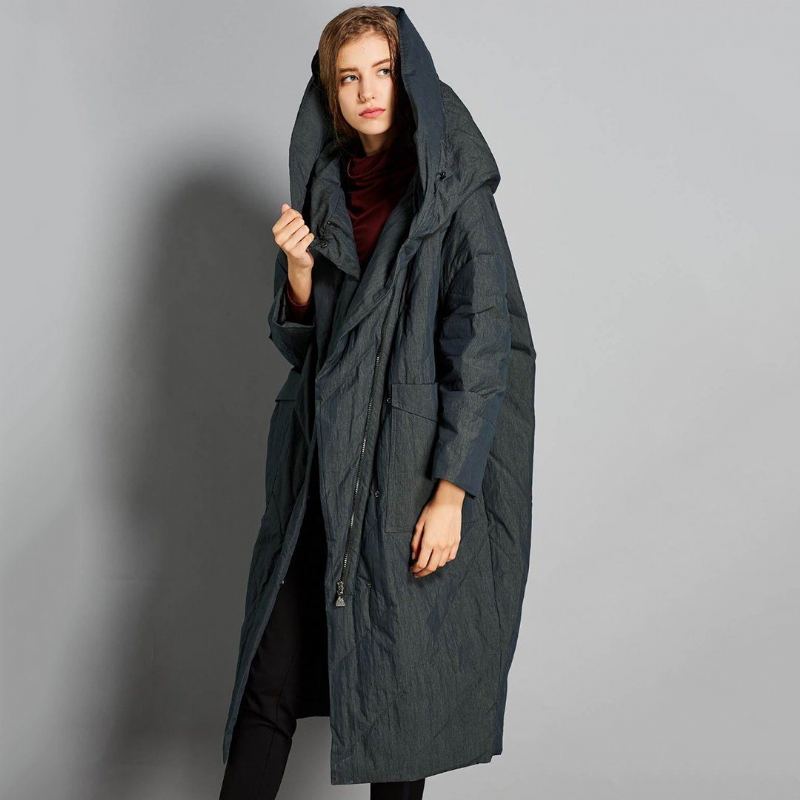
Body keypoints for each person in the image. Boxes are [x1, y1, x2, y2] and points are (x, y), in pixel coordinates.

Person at [220, 5, 536, 794]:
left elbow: (483, 342)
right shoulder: (324, 190)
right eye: (348, 77)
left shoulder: (454, 191)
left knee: (400, 699)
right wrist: (299, 280)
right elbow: (308, 348)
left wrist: (451, 492)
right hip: (321, 474)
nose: (367, 92)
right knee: (269, 682)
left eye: (383, 72)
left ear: (409, 78)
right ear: (330, 93)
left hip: (407, 474)